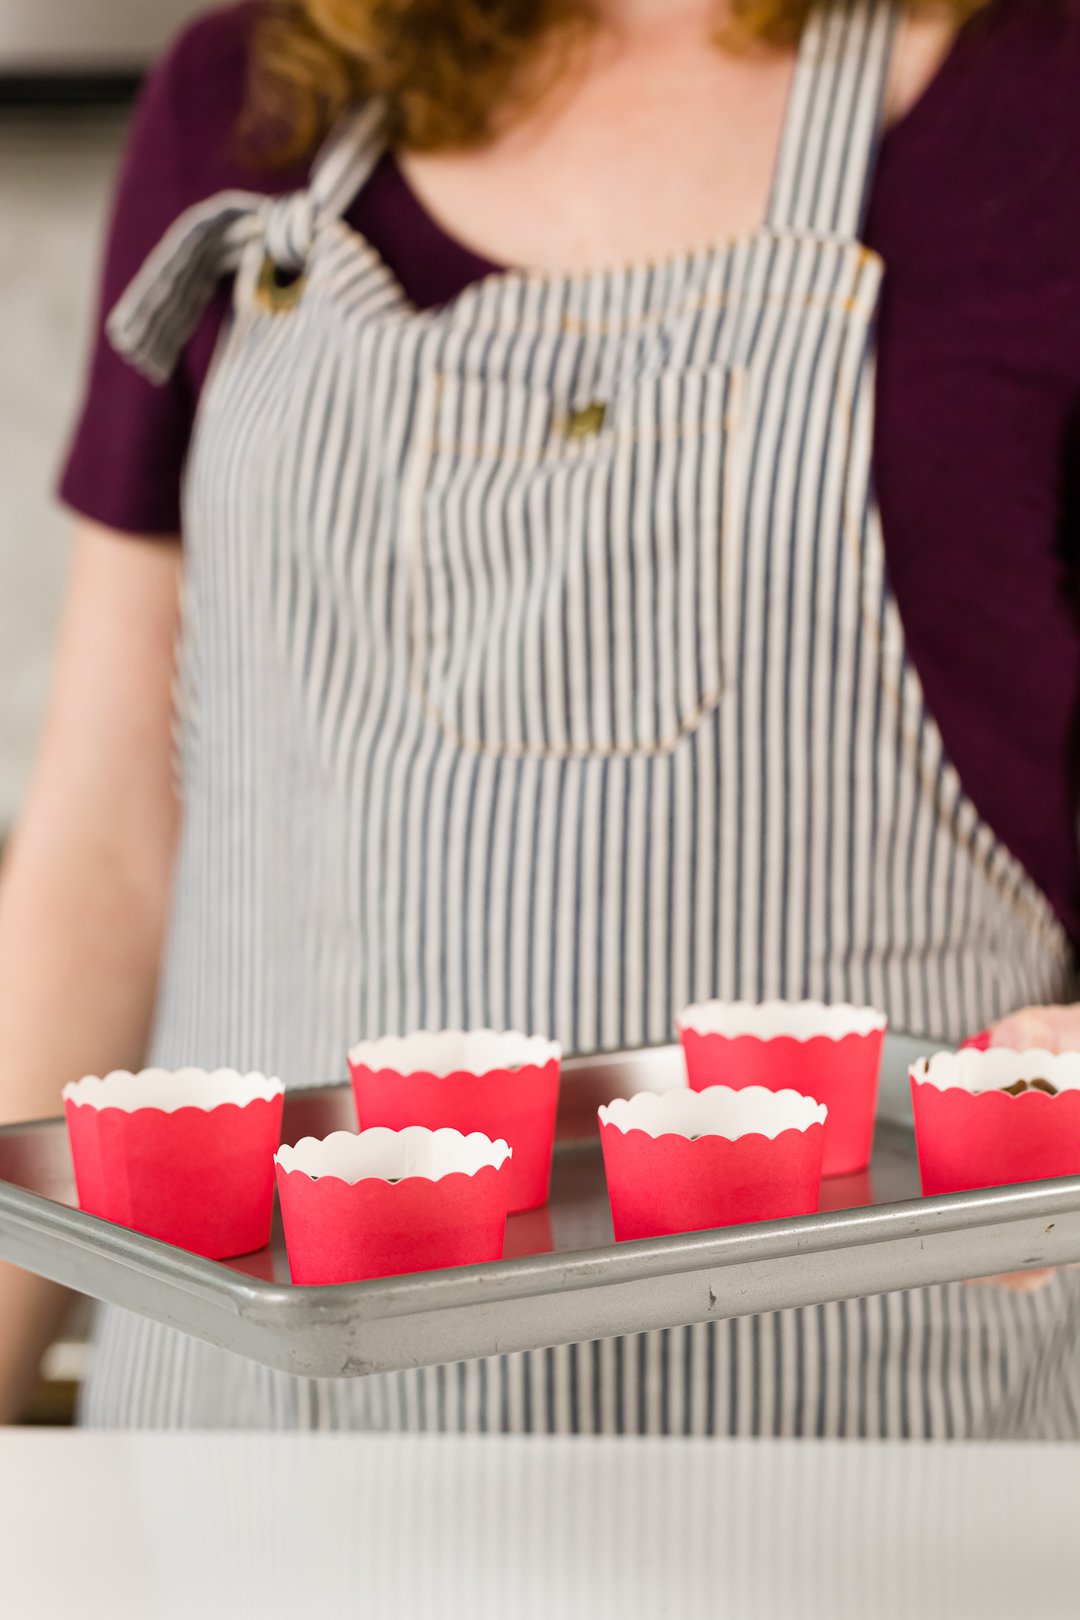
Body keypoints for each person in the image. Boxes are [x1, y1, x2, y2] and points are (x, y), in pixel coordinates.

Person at [2, 0, 1080, 1435]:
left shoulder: (1045, 116)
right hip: (243, 1476)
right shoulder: (242, 101)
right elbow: (103, 857)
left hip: (872, 1464)